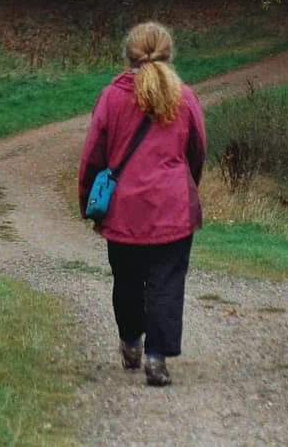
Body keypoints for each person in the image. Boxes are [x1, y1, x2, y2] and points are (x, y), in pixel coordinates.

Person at [77, 20, 207, 388]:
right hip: (173, 207)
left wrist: (88, 199)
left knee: (127, 280)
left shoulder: (111, 97)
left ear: (128, 55)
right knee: (167, 282)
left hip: (123, 208)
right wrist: (186, 187)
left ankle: (131, 342)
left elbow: (93, 155)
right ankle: (157, 358)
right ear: (169, 53)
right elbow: (197, 150)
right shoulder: (184, 97)